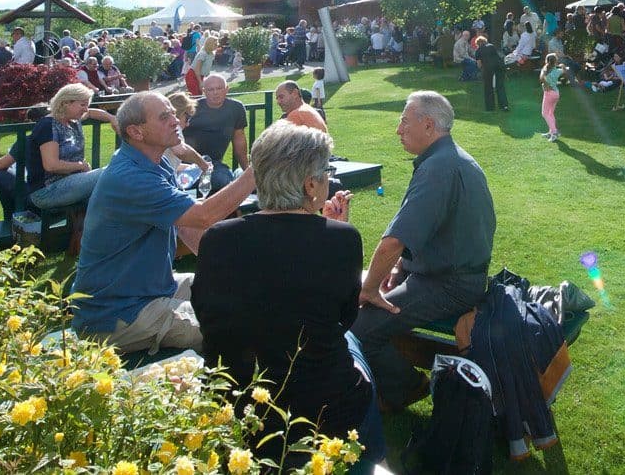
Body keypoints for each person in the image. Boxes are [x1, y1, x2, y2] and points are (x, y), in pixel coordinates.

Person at [192, 122, 386, 466]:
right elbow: (343, 317)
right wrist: (332, 228)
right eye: (327, 171)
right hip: (320, 405)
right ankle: (369, 462)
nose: (330, 179)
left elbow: (206, 311)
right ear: (311, 185)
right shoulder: (341, 239)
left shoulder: (217, 238)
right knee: (354, 352)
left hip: (234, 401)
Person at [71, 91, 257, 354]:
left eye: (173, 113)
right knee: (230, 326)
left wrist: (225, 270)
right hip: (118, 312)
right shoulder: (132, 177)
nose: (176, 121)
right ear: (136, 132)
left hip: (151, 288)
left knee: (235, 287)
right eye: (164, 117)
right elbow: (203, 215)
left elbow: (186, 225)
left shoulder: (154, 164)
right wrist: (258, 170)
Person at [351, 91, 495, 412]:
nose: (398, 129)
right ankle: (401, 383)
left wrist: (370, 288)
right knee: (367, 318)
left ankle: (409, 387)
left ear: (428, 125)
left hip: (449, 285)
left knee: (358, 330)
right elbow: (430, 234)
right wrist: (399, 271)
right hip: (447, 276)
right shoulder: (450, 159)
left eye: (404, 120)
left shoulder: (439, 169)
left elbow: (393, 242)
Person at [24, 84, 118, 213]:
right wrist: (80, 166)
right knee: (113, 172)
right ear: (66, 103)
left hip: (71, 183)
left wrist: (112, 118)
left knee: (107, 193)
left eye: (87, 104)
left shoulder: (72, 120)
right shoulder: (48, 126)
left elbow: (90, 113)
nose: (86, 109)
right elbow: (51, 165)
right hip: (47, 191)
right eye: (82, 104)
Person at [474, 35, 509, 112]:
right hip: (499, 66)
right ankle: (504, 106)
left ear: (478, 44)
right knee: (500, 86)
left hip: (488, 68)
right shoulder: (492, 46)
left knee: (488, 87)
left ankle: (490, 107)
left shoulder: (478, 51)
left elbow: (479, 65)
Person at [537, 53, 564, 141]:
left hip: (549, 94)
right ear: (555, 61)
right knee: (550, 113)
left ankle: (554, 132)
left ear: (547, 61)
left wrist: (546, 84)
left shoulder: (545, 70)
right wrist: (562, 66)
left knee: (544, 113)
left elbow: (541, 78)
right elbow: (565, 70)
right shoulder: (557, 70)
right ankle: (551, 132)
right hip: (556, 93)